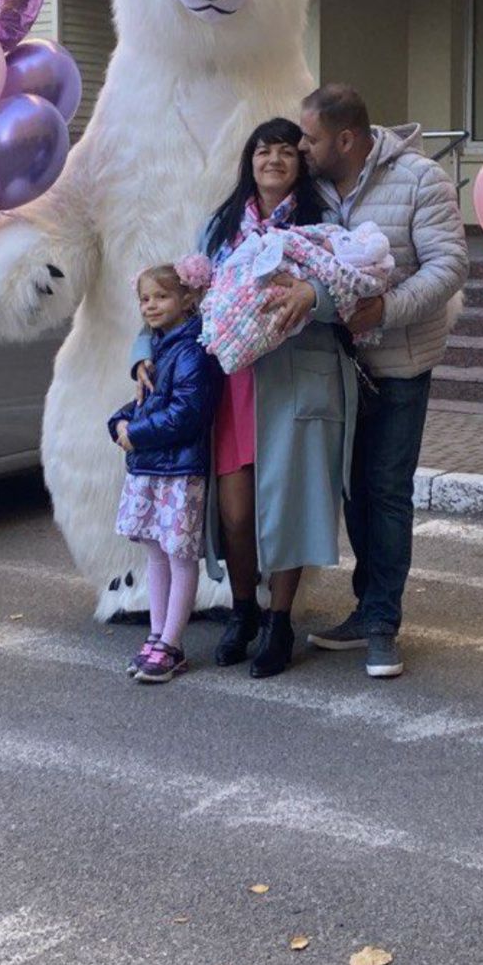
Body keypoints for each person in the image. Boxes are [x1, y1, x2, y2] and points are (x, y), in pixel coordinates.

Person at [134, 117, 357, 680]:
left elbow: (349, 286)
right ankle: (243, 610)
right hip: (231, 381)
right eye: (263, 152)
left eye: (286, 152)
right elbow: (179, 292)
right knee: (234, 512)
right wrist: (147, 349)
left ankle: (280, 621)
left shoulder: (322, 219)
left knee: (290, 502)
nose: (274, 161)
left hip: (295, 378)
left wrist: (313, 297)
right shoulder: (223, 223)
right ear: (249, 161)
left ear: (300, 163)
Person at [299, 84, 469, 681]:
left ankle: (381, 626)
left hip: (399, 365)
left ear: (346, 139)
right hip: (336, 370)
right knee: (352, 489)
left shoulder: (420, 179)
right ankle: (366, 603)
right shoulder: (312, 186)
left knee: (387, 490)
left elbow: (450, 264)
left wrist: (385, 309)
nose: (302, 146)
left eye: (311, 137)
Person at [109, 264, 222, 684]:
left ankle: (172, 644)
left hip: (179, 471)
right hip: (153, 466)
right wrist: (119, 422)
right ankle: (156, 637)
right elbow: (147, 404)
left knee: (179, 555)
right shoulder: (156, 349)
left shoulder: (192, 350)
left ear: (187, 300)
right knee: (155, 552)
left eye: (161, 296)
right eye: (144, 298)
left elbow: (188, 414)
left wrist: (134, 433)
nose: (150, 305)